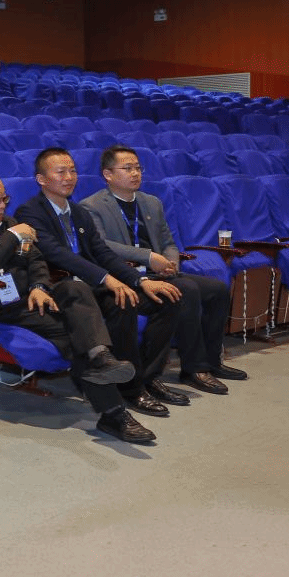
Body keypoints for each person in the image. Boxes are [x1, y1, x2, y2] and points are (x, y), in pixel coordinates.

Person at [0, 170, 157, 444]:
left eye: (5, 199)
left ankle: (101, 357)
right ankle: (113, 413)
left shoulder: (9, 224)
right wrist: (12, 236)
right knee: (75, 332)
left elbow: (37, 260)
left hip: (35, 297)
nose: (2, 205)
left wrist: (39, 286)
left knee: (76, 288)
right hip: (3, 307)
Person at [14, 148, 187, 419]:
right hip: (62, 289)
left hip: (91, 284)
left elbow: (102, 252)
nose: (69, 177)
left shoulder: (79, 212)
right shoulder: (30, 212)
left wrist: (140, 280)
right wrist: (108, 279)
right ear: (41, 179)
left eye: (72, 171)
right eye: (61, 172)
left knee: (162, 299)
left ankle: (146, 378)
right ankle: (131, 390)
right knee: (121, 299)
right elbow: (58, 255)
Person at [80, 146, 244, 392]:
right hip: (127, 276)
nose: (135, 173)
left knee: (218, 289)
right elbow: (102, 245)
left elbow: (168, 242)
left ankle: (212, 361)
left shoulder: (151, 203)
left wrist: (170, 263)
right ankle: (194, 368)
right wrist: (148, 257)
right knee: (186, 289)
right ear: (108, 174)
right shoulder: (91, 206)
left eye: (138, 168)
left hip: (159, 273)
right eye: (127, 168)